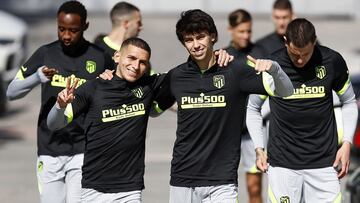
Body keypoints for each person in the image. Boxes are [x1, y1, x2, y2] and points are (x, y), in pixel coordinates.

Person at [46, 37, 234, 202]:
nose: (136, 66)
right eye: (131, 58)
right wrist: (59, 106)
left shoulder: (148, 85)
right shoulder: (93, 88)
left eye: (143, 62)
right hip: (94, 189)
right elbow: (54, 124)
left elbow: (185, 72)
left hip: (131, 189)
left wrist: (214, 54)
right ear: (117, 56)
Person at [154, 9, 294, 203]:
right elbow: (153, 109)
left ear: (213, 36)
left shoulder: (235, 71)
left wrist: (275, 69)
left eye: (200, 37)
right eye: (189, 40)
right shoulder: (176, 76)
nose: (195, 45)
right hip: (183, 178)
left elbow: (287, 91)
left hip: (222, 182)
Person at [6, 1, 112, 202]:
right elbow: (11, 92)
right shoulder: (46, 54)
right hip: (50, 149)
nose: (66, 35)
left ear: (85, 27)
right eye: (61, 29)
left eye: (73, 30)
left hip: (84, 149)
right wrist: (36, 77)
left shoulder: (99, 58)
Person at [246, 18, 358, 203]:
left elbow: (349, 101)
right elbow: (252, 107)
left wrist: (346, 144)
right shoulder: (272, 65)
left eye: (305, 54)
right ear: (285, 42)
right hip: (283, 165)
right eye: (294, 54)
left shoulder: (332, 61)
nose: (299, 60)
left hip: (324, 163)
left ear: (314, 42)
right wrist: (259, 148)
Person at [225, 9, 266, 203]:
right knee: (224, 188)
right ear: (230, 29)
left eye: (249, 31)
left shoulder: (259, 54)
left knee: (254, 188)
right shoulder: (223, 57)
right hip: (227, 133)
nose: (246, 36)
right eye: (241, 31)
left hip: (252, 133)